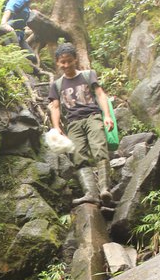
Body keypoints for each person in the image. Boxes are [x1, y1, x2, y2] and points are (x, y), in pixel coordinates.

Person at [48, 42, 114, 206]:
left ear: (75, 59)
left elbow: (100, 95)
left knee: (99, 147)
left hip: (93, 116)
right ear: (57, 62)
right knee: (78, 157)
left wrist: (106, 116)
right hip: (73, 123)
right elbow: (55, 107)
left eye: (69, 61)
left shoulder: (88, 75)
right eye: (63, 62)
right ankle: (90, 193)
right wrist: (57, 127)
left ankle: (105, 189)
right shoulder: (56, 85)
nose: (66, 65)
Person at [0, 0, 44, 74]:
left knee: (32, 57)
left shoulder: (27, 3)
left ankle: (30, 74)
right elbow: (9, 8)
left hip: (20, 36)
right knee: (14, 59)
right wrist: (4, 23)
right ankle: (13, 77)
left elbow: (22, 21)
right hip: (10, 35)